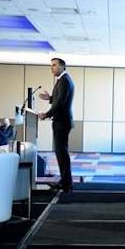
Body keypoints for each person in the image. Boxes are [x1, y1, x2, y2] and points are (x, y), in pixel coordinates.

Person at [38, 57, 75, 192]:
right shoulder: (63, 80)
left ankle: (66, 183)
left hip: (62, 122)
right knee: (61, 152)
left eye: (54, 65)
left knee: (62, 153)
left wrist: (46, 114)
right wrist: (50, 98)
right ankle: (65, 181)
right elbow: (59, 99)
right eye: (51, 66)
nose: (51, 68)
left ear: (62, 67)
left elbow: (60, 104)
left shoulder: (64, 81)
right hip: (62, 121)